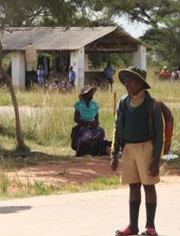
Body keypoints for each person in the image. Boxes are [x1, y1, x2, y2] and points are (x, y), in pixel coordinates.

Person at [111, 66, 164, 236]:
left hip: (146, 148)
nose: (127, 84)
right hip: (128, 148)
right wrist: (114, 152)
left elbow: (160, 134)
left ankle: (150, 227)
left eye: (131, 81)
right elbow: (116, 127)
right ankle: (132, 225)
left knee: (148, 186)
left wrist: (156, 158)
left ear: (141, 83)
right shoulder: (123, 102)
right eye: (125, 81)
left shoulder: (152, 104)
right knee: (133, 186)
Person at [70, 85, 107, 156]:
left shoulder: (95, 105)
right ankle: (84, 146)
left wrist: (96, 123)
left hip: (92, 126)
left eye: (91, 93)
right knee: (87, 133)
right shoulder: (79, 105)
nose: (91, 95)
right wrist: (88, 122)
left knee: (101, 131)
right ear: (84, 95)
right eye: (89, 93)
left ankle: (96, 148)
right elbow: (76, 119)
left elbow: (97, 119)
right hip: (83, 126)